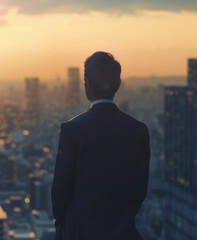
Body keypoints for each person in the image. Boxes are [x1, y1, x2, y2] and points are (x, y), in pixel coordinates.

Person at [51, 51, 150, 240]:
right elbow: (139, 190)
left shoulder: (73, 130)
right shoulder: (138, 130)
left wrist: (63, 226)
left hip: (79, 231)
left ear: (86, 83)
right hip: (122, 232)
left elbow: (60, 190)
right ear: (117, 84)